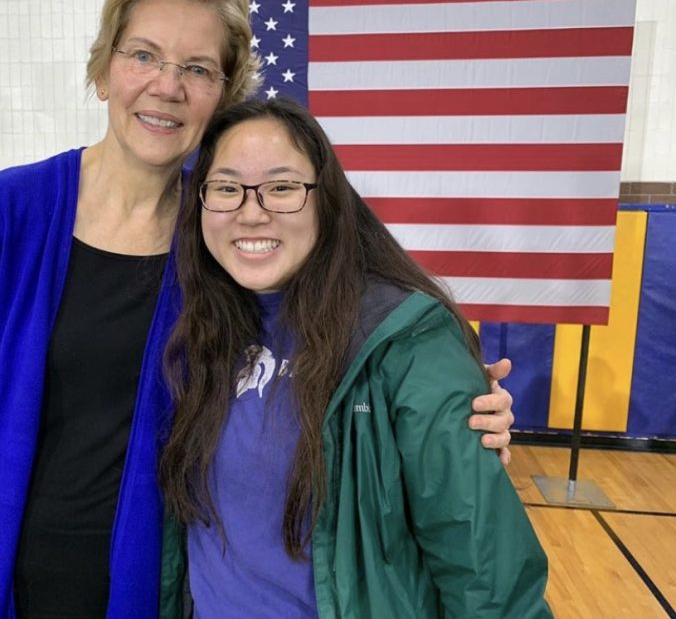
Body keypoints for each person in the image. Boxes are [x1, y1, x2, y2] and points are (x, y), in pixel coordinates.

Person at [0, 0, 516, 619]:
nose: (166, 85)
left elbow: (347, 336)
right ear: (103, 71)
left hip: (150, 584)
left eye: (197, 68)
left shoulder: (231, 232)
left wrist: (454, 414)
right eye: (143, 56)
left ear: (222, 94)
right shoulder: (8, 209)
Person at [159, 98, 552, 618]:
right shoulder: (192, 329)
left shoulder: (408, 343)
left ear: (327, 200)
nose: (251, 212)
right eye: (227, 188)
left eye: (281, 187)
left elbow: (486, 572)